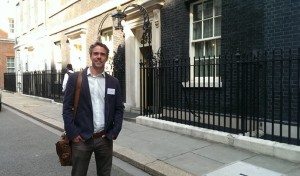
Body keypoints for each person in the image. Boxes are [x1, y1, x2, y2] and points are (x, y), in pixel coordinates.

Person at [63, 42, 124, 176]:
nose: (99, 57)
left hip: (104, 138)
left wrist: (114, 131)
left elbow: (119, 109)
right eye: (96, 53)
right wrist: (73, 133)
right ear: (91, 56)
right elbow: (67, 108)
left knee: (104, 174)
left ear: (106, 58)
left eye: (102, 54)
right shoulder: (75, 78)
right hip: (81, 139)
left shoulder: (113, 82)